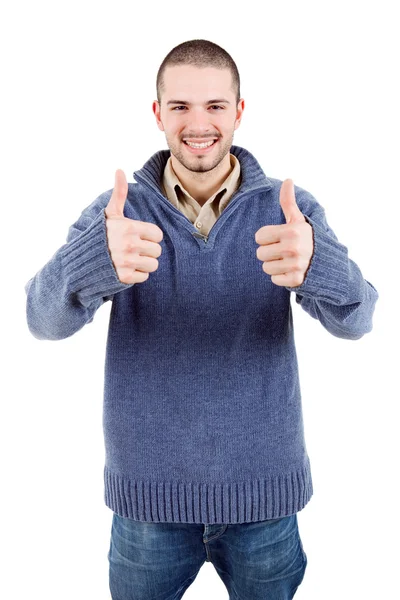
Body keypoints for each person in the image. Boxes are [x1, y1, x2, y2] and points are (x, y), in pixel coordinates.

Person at [24, 39, 379, 600]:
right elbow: (41, 321)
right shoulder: (120, 213)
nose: (199, 124)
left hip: (265, 499)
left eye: (215, 106)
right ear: (158, 113)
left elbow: (358, 321)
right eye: (181, 107)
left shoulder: (289, 209)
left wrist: (319, 266)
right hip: (148, 504)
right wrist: (93, 262)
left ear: (238, 112)